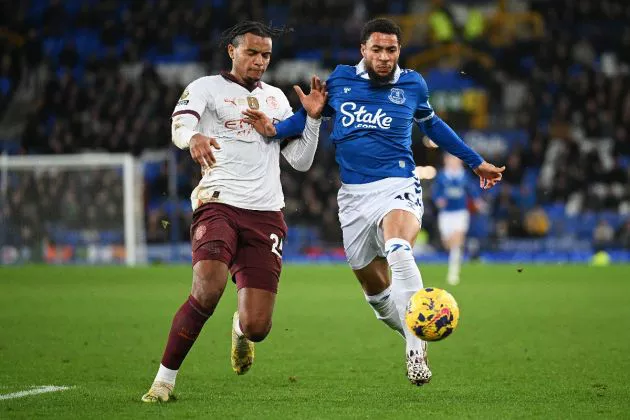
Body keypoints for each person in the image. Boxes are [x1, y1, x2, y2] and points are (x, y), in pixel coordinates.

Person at [243, 18, 505, 386]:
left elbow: (434, 126)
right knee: (379, 298)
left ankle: (415, 354)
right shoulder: (339, 81)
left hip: (398, 184)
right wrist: (275, 129)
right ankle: (414, 332)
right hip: (353, 198)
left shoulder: (413, 84)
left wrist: (476, 161)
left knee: (399, 248)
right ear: (363, 50)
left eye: (392, 50)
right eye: (377, 49)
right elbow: (307, 116)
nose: (384, 57)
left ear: (399, 51)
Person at [141, 21, 327, 403]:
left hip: (266, 213)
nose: (260, 61)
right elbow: (181, 123)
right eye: (252, 53)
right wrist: (193, 137)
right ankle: (163, 382)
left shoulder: (276, 98)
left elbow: (301, 161)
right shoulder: (206, 87)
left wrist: (312, 120)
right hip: (218, 202)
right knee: (208, 286)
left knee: (258, 326)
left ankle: (241, 331)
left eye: (266, 55)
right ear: (232, 50)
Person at [432, 153, 484, 285]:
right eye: (451, 159)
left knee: (457, 240)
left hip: (460, 213)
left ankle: (453, 273)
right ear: (446, 161)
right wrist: (438, 200)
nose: (454, 162)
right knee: (448, 244)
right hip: (446, 214)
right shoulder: (442, 176)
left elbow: (472, 190)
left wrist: (477, 201)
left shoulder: (464, 176)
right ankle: (454, 263)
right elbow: (436, 192)